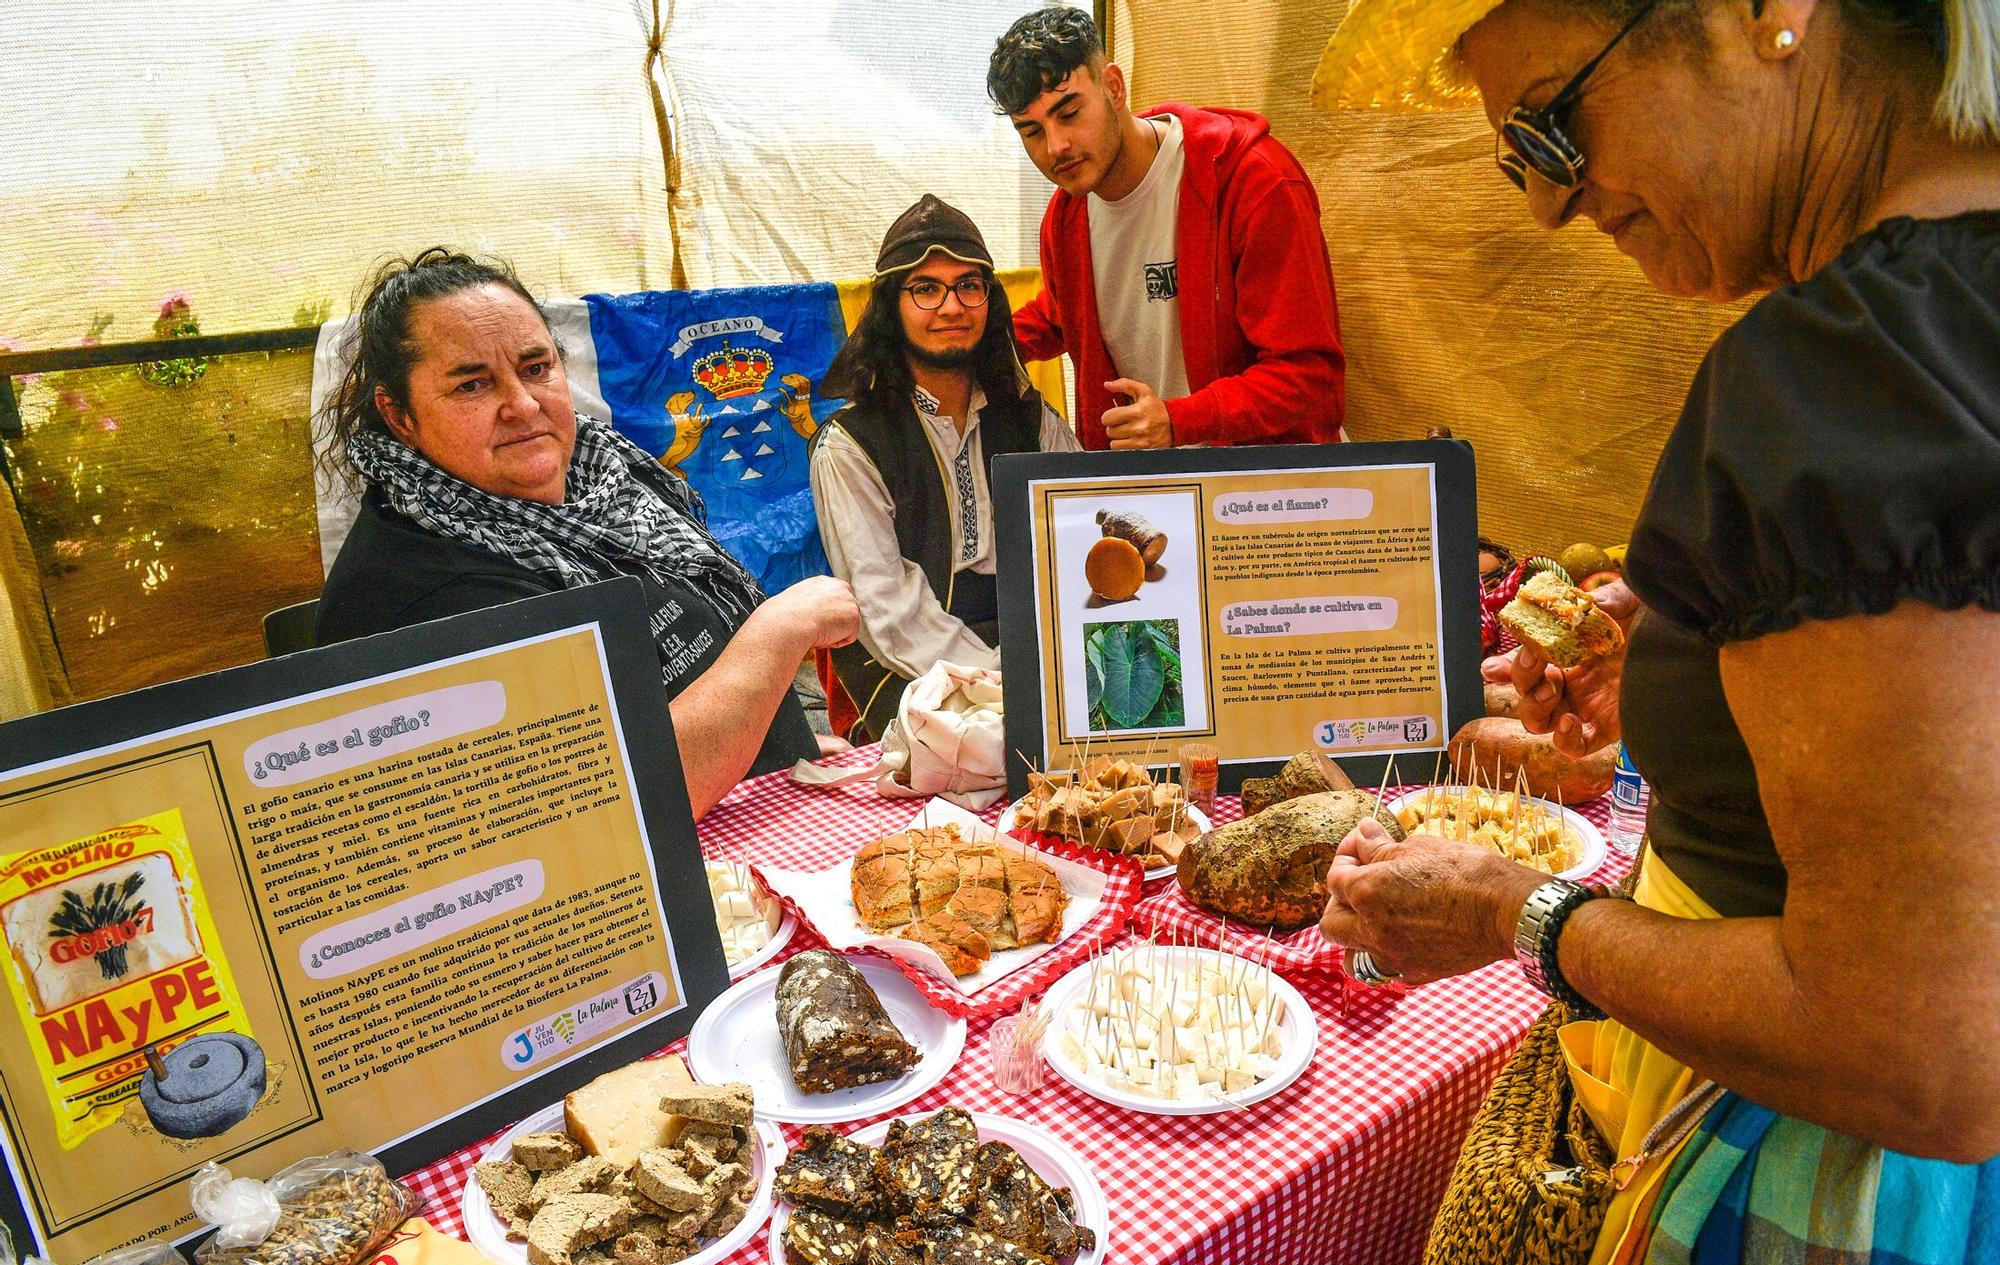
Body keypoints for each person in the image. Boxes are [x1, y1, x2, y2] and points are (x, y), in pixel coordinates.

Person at [1311, 0, 2000, 1265]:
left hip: (1846, 1217)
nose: (1546, 207)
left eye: (1549, 125)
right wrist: (1709, 691)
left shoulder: (1856, 373)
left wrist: (1522, 914)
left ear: (1770, 15)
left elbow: (1926, 1057)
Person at [315, 249, 860, 819]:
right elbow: (621, 796)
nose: (523, 406)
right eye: (473, 386)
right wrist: (778, 633)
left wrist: (772, 744)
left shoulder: (607, 475)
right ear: (400, 415)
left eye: (535, 368)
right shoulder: (423, 590)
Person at [987, 6, 1347, 450]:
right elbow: (1065, 314)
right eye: (1032, 132)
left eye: (1069, 113)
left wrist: (1180, 421)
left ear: (1114, 88)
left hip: (1272, 493)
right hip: (1152, 494)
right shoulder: (1066, 216)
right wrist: (966, 343)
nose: (1057, 146)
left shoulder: (1253, 180)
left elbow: (1307, 371)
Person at [809, 195, 1080, 742]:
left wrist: (1060, 660)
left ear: (989, 300)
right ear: (893, 307)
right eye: (926, 289)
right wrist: (1011, 683)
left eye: (968, 286)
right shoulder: (850, 444)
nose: (952, 307)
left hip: (1033, 643)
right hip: (912, 667)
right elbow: (888, 611)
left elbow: (1080, 540)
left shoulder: (1032, 421)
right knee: (982, 763)